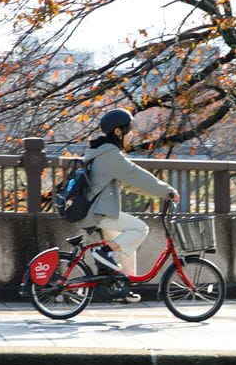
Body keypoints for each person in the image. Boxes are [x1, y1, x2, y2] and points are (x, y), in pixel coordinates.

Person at [73, 108, 180, 303]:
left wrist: (162, 195)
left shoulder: (104, 152)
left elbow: (131, 184)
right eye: (129, 130)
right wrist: (167, 190)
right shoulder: (110, 155)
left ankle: (124, 285)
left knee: (126, 245)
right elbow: (136, 174)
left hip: (97, 210)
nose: (131, 135)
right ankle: (104, 252)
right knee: (140, 229)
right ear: (118, 132)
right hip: (98, 212)